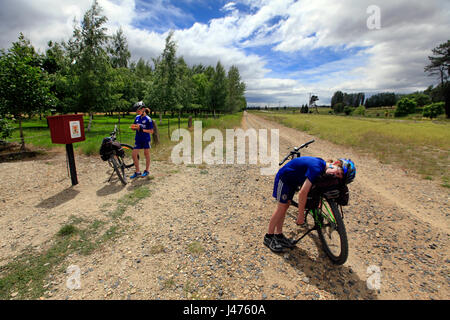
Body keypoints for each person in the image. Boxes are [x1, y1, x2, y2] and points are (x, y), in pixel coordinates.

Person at [264, 156, 355, 253]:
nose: (336, 175)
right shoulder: (316, 168)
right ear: (336, 164)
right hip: (284, 179)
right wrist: (300, 215)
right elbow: (302, 193)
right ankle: (268, 236)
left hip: (292, 182)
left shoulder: (322, 167)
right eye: (338, 172)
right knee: (281, 208)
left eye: (338, 176)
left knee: (285, 206)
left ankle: (278, 235)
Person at [130, 105, 154, 179]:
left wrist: (142, 130)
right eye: (137, 111)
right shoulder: (137, 117)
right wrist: (133, 128)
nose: (137, 112)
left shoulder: (148, 119)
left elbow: (151, 131)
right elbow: (135, 126)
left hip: (146, 139)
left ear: (143, 109)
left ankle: (146, 170)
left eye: (138, 111)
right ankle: (137, 172)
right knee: (134, 155)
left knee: (146, 154)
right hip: (138, 139)